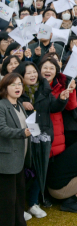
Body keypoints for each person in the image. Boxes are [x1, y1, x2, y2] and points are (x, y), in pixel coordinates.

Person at [0, 73, 31, 225]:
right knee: (8, 200)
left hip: (20, 157)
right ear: (5, 87)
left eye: (19, 84)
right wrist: (22, 132)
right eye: (13, 84)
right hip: (6, 160)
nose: (17, 87)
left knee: (19, 196)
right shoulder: (1, 106)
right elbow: (2, 129)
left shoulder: (19, 105)